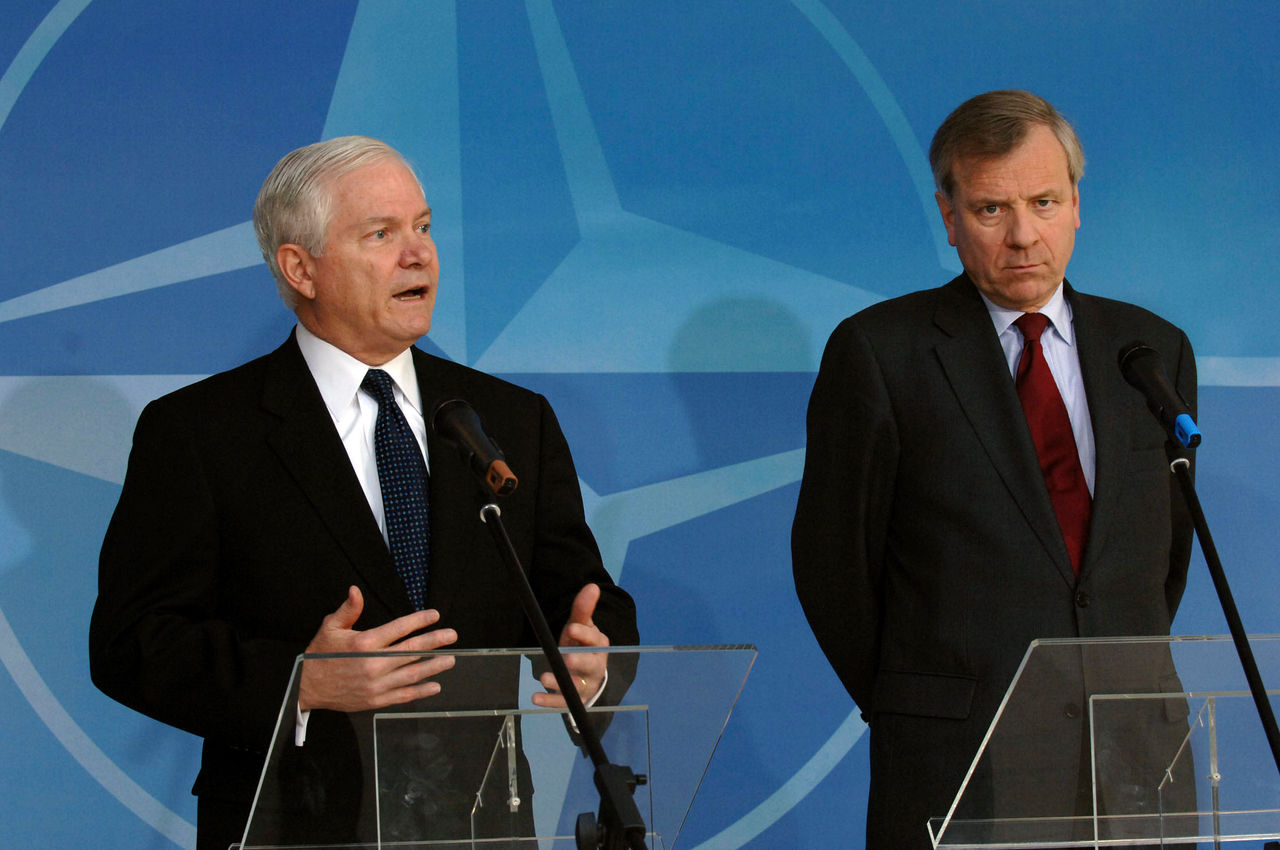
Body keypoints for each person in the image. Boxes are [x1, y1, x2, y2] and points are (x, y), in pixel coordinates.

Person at [89, 136, 638, 850]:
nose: (419, 255)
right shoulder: (201, 432)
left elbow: (584, 599)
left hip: (479, 827)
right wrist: (301, 684)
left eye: (423, 227)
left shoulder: (508, 421)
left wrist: (592, 663)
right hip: (297, 824)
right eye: (381, 234)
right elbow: (133, 643)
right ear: (300, 268)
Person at [792, 90, 1196, 848]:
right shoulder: (883, 353)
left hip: (1137, 753)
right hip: (960, 753)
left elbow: (1161, 558)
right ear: (948, 218)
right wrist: (920, 699)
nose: (1022, 235)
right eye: (989, 209)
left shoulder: (1149, 350)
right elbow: (833, 566)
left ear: (1077, 204)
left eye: (1044, 201)